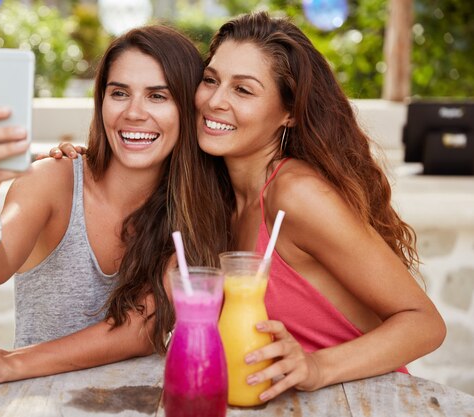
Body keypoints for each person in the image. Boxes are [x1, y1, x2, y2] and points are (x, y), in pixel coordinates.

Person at [55, 12, 446, 402]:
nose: (214, 101)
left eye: (243, 90)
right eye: (210, 80)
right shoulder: (215, 193)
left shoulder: (297, 195)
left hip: (362, 401)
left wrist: (318, 366)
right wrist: (95, 162)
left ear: (289, 113)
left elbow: (424, 323)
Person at [0, 25, 231, 383]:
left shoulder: (194, 203)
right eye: (119, 93)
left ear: (187, 109)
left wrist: (10, 361)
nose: (133, 112)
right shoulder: (52, 179)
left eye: (158, 96)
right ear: (101, 102)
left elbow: (139, 329)